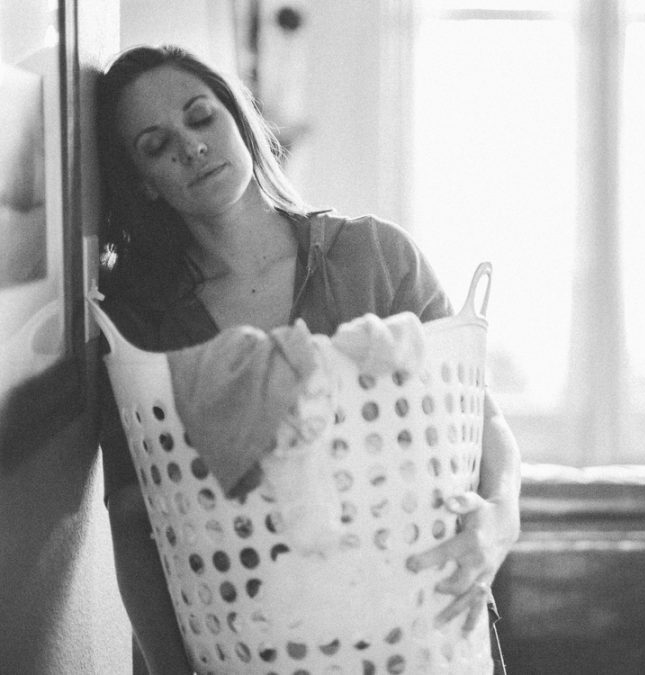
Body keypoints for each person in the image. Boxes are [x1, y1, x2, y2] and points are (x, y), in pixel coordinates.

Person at [94, 44, 521, 674]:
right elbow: (135, 519)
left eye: (201, 116)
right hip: (248, 648)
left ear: (238, 120)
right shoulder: (143, 324)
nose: (191, 146)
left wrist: (501, 518)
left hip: (422, 632)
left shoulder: (376, 256)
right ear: (142, 183)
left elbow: (481, 420)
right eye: (157, 146)